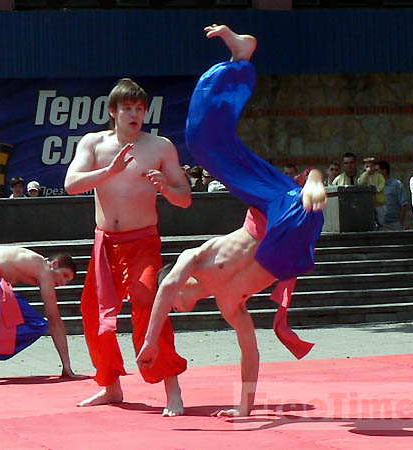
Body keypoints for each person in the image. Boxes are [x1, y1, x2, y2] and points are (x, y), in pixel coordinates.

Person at [137, 24, 327, 418]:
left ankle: (240, 60)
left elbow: (167, 286)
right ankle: (312, 185)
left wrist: (151, 340)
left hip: (269, 211)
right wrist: (244, 408)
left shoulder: (197, 258)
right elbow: (249, 351)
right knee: (298, 215)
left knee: (205, 145)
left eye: (171, 306)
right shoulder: (229, 304)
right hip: (284, 239)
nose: (174, 310)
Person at [64, 76, 191, 415]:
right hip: (105, 243)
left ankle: (172, 388)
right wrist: (110, 170)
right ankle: (110, 386)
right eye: (127, 109)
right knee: (94, 312)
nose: (134, 114)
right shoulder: (93, 143)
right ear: (113, 112)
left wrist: (166, 188)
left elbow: (185, 198)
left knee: (149, 304)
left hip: (143, 242)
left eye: (139, 108)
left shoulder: (160, 147)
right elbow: (71, 184)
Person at [0, 247, 79, 381]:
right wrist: (66, 366)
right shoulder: (45, 270)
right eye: (65, 275)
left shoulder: (29, 260)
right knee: (36, 324)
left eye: (67, 282)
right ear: (54, 264)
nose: (63, 283)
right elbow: (54, 320)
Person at [375, 160, 409, 230]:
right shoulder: (375, 186)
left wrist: (400, 223)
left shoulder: (397, 185)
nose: (374, 173)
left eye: (376, 170)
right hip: (379, 226)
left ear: (384, 171)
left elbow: (404, 204)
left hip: (394, 224)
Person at [357, 157, 386, 230]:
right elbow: (360, 183)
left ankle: (381, 228)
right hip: (368, 203)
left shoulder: (379, 176)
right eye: (367, 166)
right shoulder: (363, 176)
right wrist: (366, 173)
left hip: (379, 202)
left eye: (372, 166)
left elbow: (382, 184)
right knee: (370, 218)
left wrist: (376, 189)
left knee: (381, 217)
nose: (370, 168)